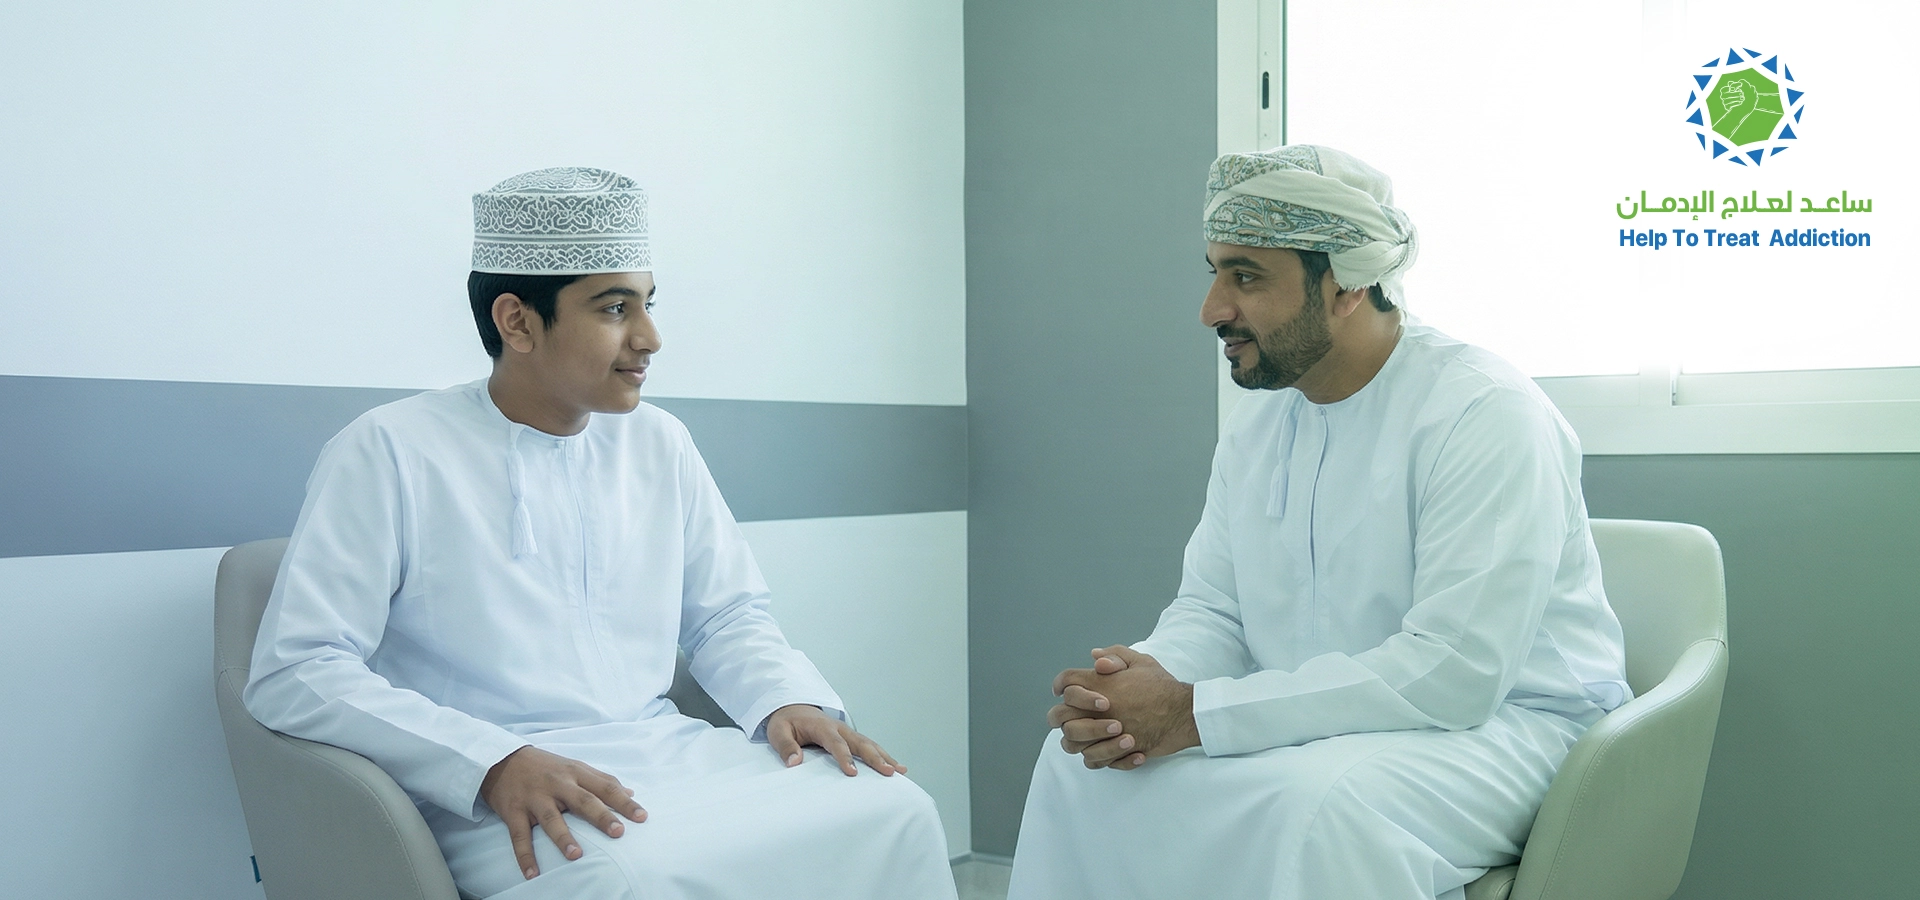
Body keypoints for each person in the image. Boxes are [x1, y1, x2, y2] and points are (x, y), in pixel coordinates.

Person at [245, 167, 958, 899]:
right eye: (615, 308)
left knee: (894, 810)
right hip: (488, 786)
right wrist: (489, 761)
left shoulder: (658, 442)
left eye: (648, 304)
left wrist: (787, 700)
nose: (649, 338)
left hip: (665, 748)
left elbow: (726, 615)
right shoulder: (389, 449)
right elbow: (297, 668)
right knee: (633, 875)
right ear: (517, 321)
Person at [1006, 145, 1632, 900]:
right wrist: (1138, 692)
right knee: (1081, 771)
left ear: (1347, 285)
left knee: (1316, 812)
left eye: (1246, 277)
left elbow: (1455, 673)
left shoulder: (1484, 412)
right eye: (1215, 272)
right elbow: (1216, 612)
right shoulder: (1258, 425)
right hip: (1318, 725)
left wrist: (1194, 713)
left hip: (1507, 729)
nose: (1212, 310)